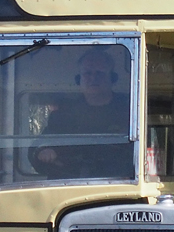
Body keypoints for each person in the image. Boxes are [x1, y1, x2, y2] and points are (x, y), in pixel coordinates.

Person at [32, 46, 133, 179]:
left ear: (112, 78)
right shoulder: (63, 114)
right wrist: (43, 151)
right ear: (79, 79)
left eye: (99, 73)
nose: (93, 78)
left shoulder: (129, 110)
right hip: (70, 184)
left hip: (118, 184)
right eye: (87, 73)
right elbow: (39, 145)